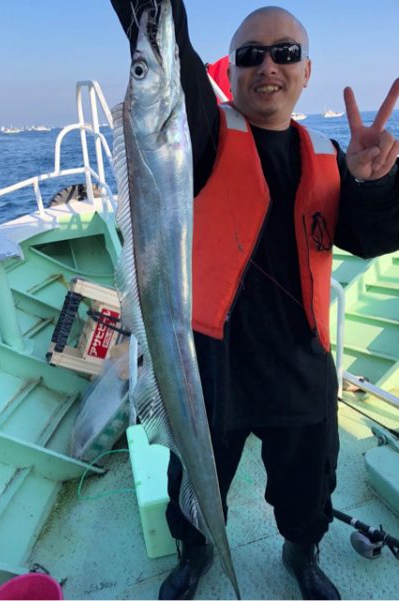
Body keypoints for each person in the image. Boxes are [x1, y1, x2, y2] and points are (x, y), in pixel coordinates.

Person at [110, 1, 399, 599]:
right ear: (230, 71)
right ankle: (196, 553)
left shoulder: (327, 156)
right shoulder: (203, 135)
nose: (268, 65)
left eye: (285, 52)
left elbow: (370, 239)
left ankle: (302, 554)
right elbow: (169, 57)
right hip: (215, 368)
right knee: (190, 474)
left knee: (308, 488)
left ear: (306, 71)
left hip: (302, 367)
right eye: (251, 55)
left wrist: (375, 184)